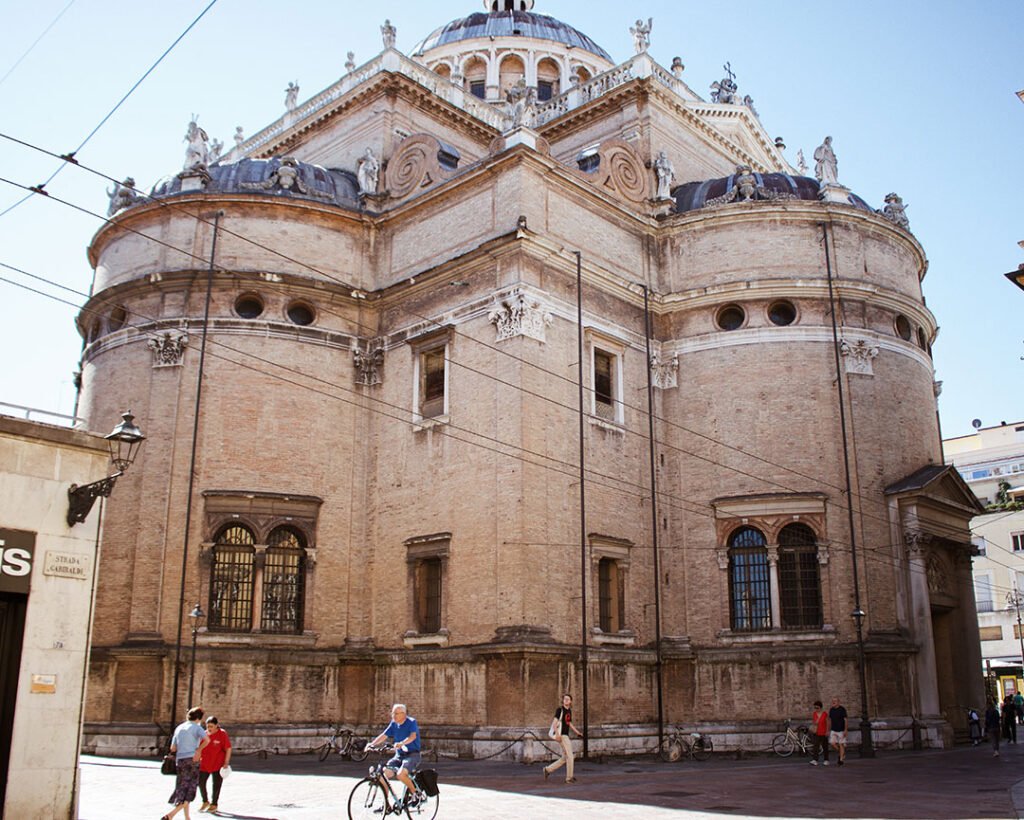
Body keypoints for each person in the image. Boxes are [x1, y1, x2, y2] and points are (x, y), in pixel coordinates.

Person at [368, 703, 421, 809]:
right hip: (399, 755)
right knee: (383, 776)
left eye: (396, 713)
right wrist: (372, 744)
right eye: (393, 713)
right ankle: (386, 805)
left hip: (412, 755)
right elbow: (384, 735)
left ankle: (415, 794)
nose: (393, 716)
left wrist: (402, 743)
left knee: (401, 774)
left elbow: (412, 736)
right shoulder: (393, 724)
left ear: (403, 714)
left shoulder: (411, 722)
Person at [163, 706, 209, 820]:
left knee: (183, 787)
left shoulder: (179, 728)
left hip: (180, 761)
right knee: (190, 789)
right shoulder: (197, 728)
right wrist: (198, 750)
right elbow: (207, 740)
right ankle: (171, 815)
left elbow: (173, 748)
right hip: (192, 759)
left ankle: (187, 817)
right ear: (198, 718)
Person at [542, 693, 583, 783]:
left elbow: (569, 724)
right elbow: (554, 723)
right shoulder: (560, 710)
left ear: (571, 701)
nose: (566, 700)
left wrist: (577, 732)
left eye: (568, 699)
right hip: (562, 735)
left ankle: (547, 770)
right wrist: (557, 735)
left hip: (565, 735)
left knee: (565, 757)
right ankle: (569, 778)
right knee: (570, 756)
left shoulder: (569, 711)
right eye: (565, 699)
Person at [198, 715, 232, 814]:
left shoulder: (222, 734)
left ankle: (214, 804)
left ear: (217, 726)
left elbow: (228, 748)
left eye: (211, 726)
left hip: (218, 763)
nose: (209, 729)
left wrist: (226, 762)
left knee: (216, 785)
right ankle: (205, 801)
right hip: (204, 763)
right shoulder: (204, 735)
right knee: (201, 782)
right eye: (208, 726)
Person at [828, 696, 847, 766]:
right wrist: (828, 730)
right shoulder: (831, 710)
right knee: (832, 743)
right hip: (833, 729)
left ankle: (841, 759)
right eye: (833, 701)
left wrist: (845, 729)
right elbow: (829, 720)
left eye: (835, 701)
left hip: (841, 729)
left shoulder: (842, 709)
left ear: (838, 702)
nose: (833, 702)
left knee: (841, 744)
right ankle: (841, 753)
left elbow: (845, 720)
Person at [809, 700, 829, 766]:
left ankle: (826, 760)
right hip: (816, 732)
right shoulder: (814, 714)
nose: (816, 709)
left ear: (821, 708)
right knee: (816, 747)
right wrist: (815, 722)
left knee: (825, 746)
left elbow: (828, 723)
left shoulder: (825, 714)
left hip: (823, 732)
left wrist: (827, 731)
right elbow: (813, 722)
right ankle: (815, 760)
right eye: (815, 708)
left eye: (817, 708)